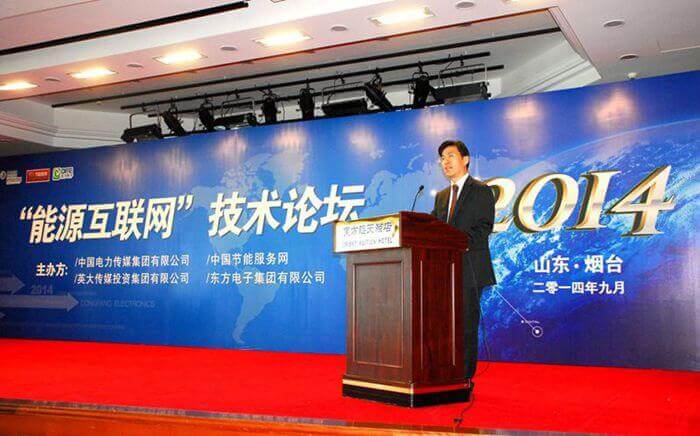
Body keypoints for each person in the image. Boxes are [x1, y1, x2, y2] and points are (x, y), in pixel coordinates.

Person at [430, 139, 496, 392]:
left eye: (450, 156)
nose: (445, 162)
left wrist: (455, 243)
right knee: (444, 325)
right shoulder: (442, 196)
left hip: (470, 269)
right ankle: (446, 371)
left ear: (465, 159)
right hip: (443, 271)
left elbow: (483, 227)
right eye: (442, 158)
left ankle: (464, 377)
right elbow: (433, 229)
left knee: (466, 324)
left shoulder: (481, 190)